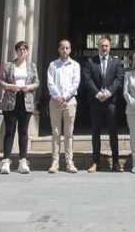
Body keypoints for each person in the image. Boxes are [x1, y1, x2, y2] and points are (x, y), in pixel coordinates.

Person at [82, 35, 124, 172]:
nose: (104, 48)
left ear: (109, 47)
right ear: (98, 47)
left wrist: (108, 93)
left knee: (113, 132)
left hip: (111, 102)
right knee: (96, 132)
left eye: (106, 46)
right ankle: (96, 161)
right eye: (102, 46)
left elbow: (119, 79)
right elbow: (87, 79)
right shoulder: (90, 61)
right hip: (96, 102)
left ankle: (116, 161)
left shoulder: (116, 62)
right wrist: (98, 93)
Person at [0, 40, 39, 174]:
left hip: (26, 100)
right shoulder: (8, 65)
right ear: (16, 51)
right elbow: (2, 81)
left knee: (23, 131)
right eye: (20, 49)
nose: (22, 51)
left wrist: (29, 87)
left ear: (27, 52)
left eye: (24, 49)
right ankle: (6, 160)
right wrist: (12, 87)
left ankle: (23, 160)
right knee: (9, 131)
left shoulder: (32, 66)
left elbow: (37, 82)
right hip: (11, 100)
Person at [46, 39, 81, 173]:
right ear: (59, 50)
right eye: (63, 48)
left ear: (70, 50)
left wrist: (64, 96)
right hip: (55, 101)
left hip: (70, 101)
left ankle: (69, 162)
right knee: (55, 133)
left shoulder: (75, 65)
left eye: (67, 48)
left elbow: (75, 83)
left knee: (69, 133)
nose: (65, 51)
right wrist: (58, 97)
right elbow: (50, 83)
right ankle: (55, 162)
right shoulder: (53, 65)